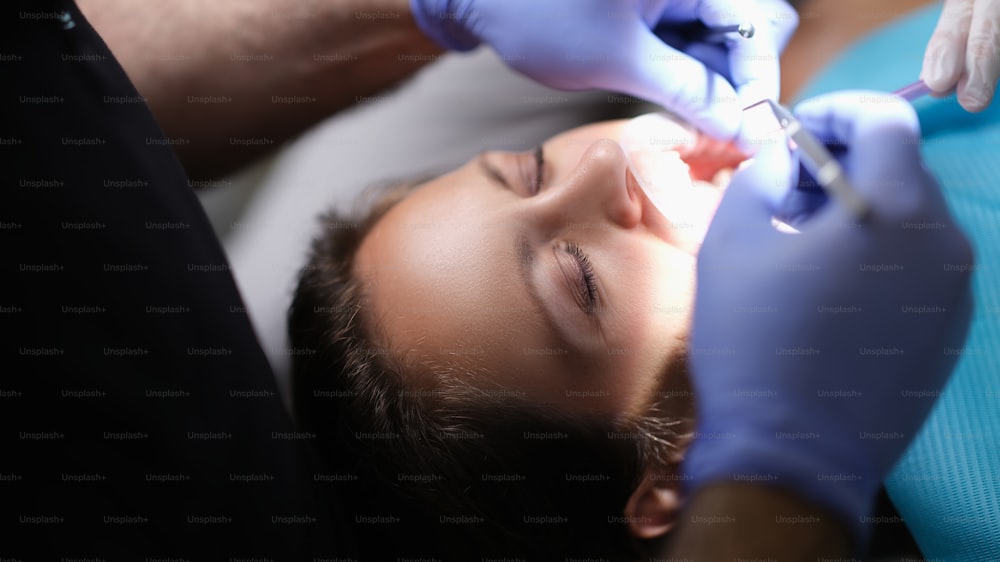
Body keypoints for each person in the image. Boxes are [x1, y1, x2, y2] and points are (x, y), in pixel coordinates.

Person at [288, 92, 974, 560]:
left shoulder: (827, 77)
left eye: (531, 170)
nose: (604, 163)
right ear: (676, 462)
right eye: (581, 277)